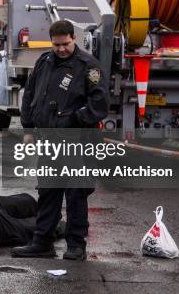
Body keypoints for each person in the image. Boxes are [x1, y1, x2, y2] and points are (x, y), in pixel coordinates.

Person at [11, 19, 108, 261]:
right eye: (56, 45)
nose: (60, 49)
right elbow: (30, 96)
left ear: (73, 38)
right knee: (48, 192)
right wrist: (29, 129)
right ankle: (42, 242)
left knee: (76, 193)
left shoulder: (89, 66)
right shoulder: (44, 62)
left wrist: (74, 119)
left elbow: (100, 105)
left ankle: (76, 245)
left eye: (65, 44)